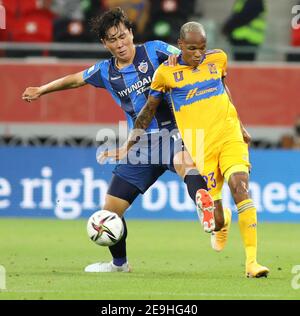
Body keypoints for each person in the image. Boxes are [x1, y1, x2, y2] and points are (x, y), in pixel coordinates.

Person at [22, 8, 227, 273]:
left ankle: (204, 203)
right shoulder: (105, 71)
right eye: (112, 40)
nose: (120, 44)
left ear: (131, 33)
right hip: (141, 145)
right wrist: (41, 89)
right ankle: (119, 264)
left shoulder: (155, 51)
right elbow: (75, 80)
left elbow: (191, 58)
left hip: (174, 131)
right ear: (104, 43)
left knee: (184, 162)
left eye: (122, 36)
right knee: (109, 211)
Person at [115, 21, 269, 278]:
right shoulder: (165, 73)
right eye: (193, 49)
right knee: (216, 221)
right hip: (201, 147)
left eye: (202, 48)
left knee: (240, 187)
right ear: (180, 46)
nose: (198, 54)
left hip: (229, 136)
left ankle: (252, 263)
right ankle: (224, 221)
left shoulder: (218, 58)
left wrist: (240, 126)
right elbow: (148, 111)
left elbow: (224, 90)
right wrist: (128, 144)